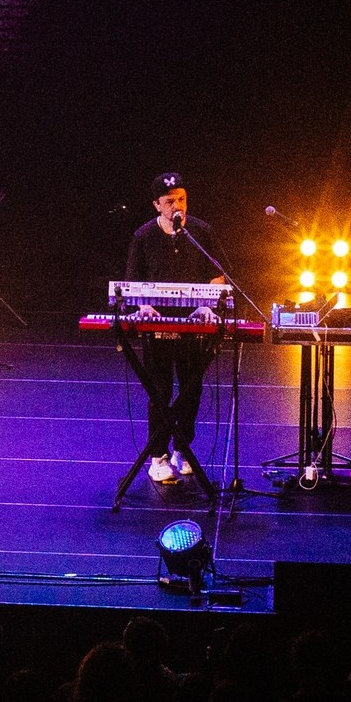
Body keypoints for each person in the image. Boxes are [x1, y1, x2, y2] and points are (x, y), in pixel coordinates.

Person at [123, 171, 228, 483]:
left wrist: (207, 304)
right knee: (159, 390)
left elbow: (217, 275)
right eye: (170, 201)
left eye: (181, 199)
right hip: (157, 326)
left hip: (193, 325)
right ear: (157, 205)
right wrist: (143, 304)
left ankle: (183, 451)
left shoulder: (200, 232)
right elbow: (131, 282)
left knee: (191, 390)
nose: (177, 206)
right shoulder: (143, 236)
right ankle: (158, 455)